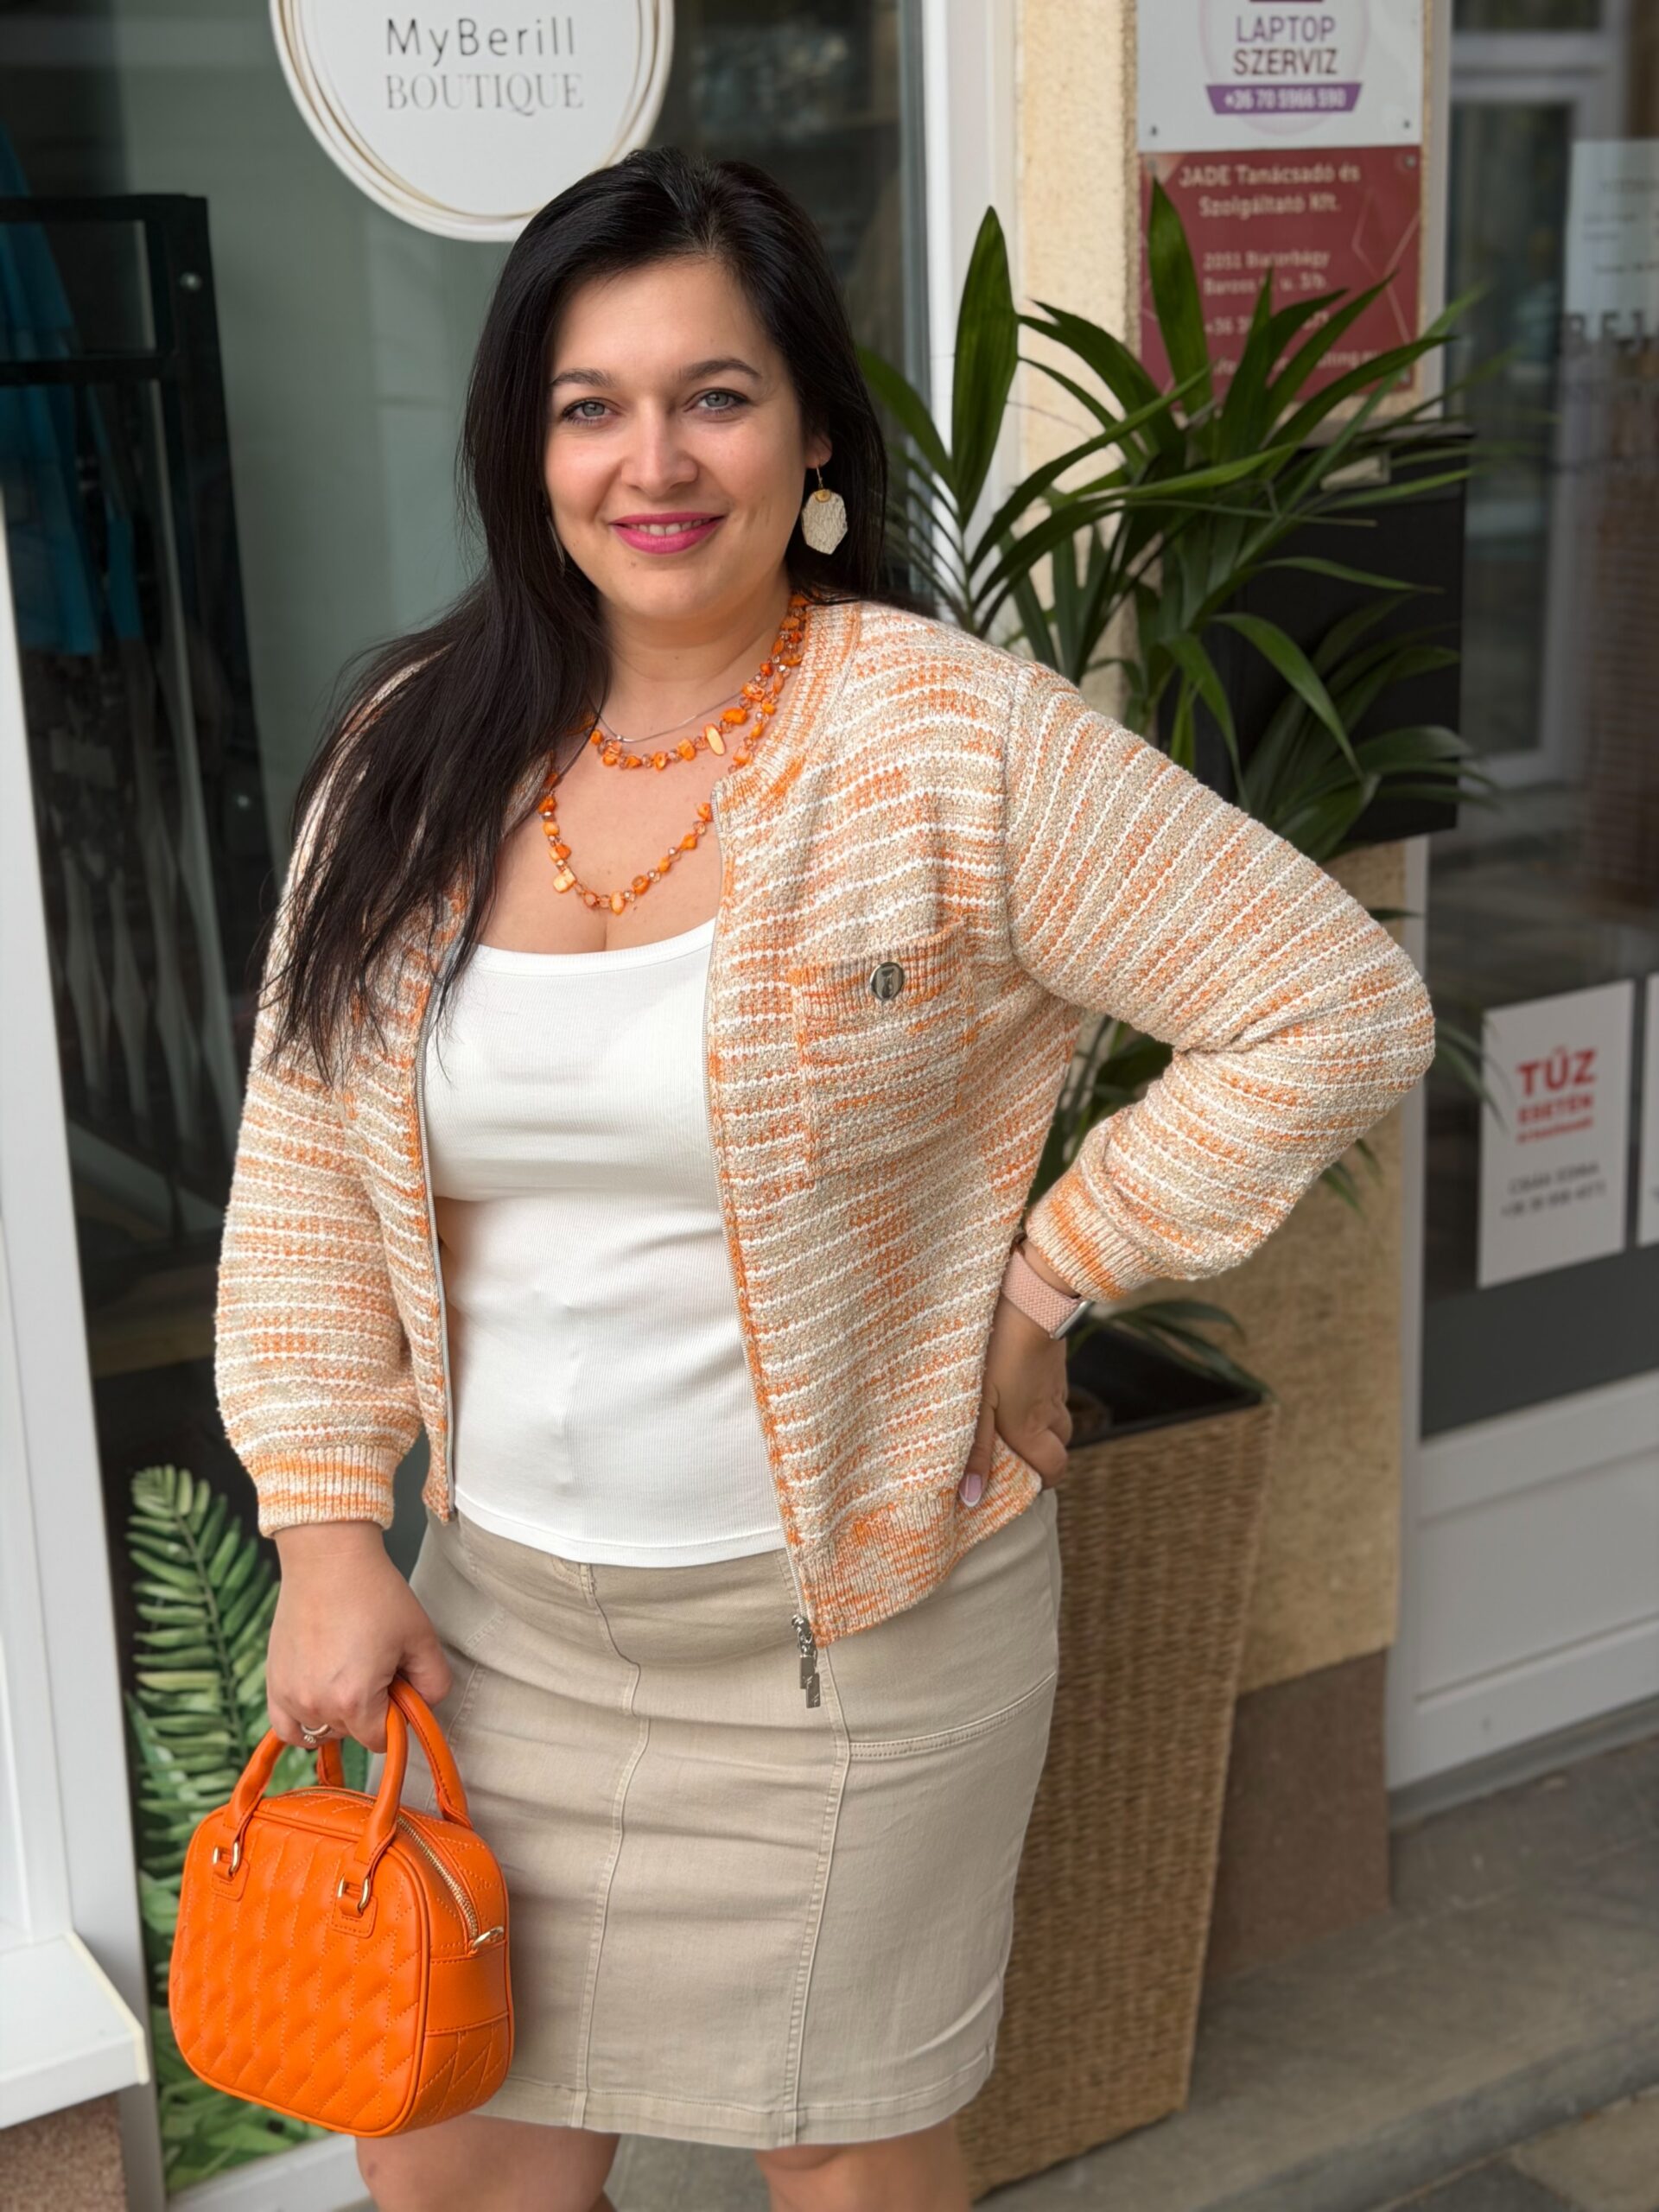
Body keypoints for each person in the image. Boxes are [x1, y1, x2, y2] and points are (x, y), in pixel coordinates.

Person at [214, 146, 1437, 2212]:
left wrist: (1043, 1283)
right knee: (454, 2164)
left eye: (716, 394)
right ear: (525, 449)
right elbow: (309, 1179)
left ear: (811, 441)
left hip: (852, 1648)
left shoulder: (951, 741)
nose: (653, 460)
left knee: (847, 2155)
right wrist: (327, 1525)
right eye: (591, 405)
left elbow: (1327, 999)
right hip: (498, 1629)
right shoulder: (413, 754)